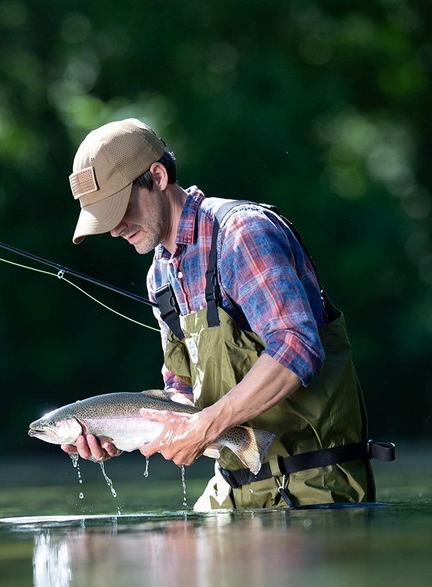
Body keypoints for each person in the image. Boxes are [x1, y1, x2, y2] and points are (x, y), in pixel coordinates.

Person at [61, 118, 393, 509]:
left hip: (313, 485)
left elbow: (297, 346)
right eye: (104, 217)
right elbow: (183, 392)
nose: (114, 228)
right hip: (231, 488)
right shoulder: (159, 276)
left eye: (119, 208)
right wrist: (119, 433)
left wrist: (208, 425)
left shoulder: (241, 233)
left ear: (158, 177)